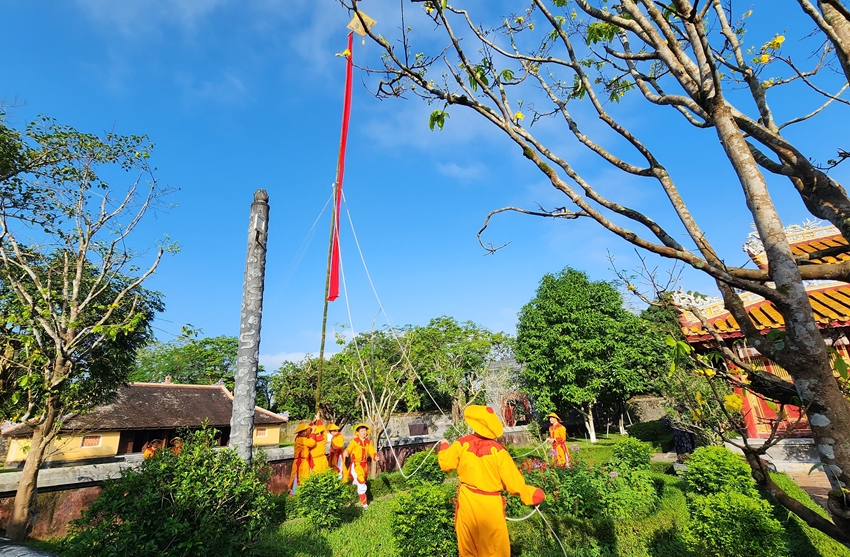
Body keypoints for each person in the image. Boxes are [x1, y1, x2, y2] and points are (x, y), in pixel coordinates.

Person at [438, 405, 545, 557]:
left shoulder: (461, 443)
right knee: (495, 546)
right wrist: (529, 494)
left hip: (468, 500)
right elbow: (513, 482)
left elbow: (445, 463)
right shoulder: (499, 450)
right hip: (490, 504)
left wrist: (444, 446)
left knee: (468, 544)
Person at [343, 423, 379, 508]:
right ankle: (365, 505)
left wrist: (375, 456)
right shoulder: (354, 441)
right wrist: (346, 452)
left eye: (364, 430)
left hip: (364, 466)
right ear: (358, 433)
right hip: (356, 465)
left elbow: (371, 451)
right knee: (361, 481)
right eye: (361, 431)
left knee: (359, 482)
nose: (363, 432)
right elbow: (349, 448)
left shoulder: (368, 442)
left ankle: (352, 497)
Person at [287, 423, 316, 495]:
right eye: (305, 431)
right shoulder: (301, 439)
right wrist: (313, 433)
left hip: (303, 461)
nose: (307, 432)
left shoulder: (301, 438)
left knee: (301, 477)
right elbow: (312, 443)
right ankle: (295, 493)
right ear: (302, 432)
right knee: (299, 478)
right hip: (301, 463)